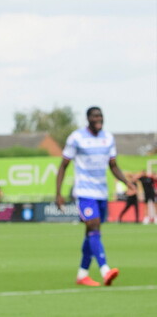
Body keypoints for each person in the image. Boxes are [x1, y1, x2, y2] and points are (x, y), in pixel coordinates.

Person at [55, 106, 135, 287]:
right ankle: (105, 270)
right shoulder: (76, 138)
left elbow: (113, 166)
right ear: (88, 119)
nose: (98, 119)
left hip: (101, 192)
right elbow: (63, 166)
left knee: (91, 233)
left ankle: (82, 274)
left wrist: (127, 182)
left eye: (100, 116)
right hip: (84, 192)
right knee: (93, 226)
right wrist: (58, 193)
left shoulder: (108, 138)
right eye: (95, 116)